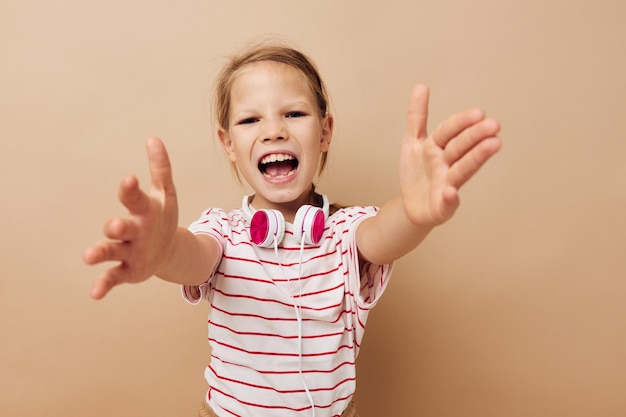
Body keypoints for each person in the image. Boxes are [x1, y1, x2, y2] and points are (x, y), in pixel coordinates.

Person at [83, 42, 501, 417]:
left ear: (324, 132)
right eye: (250, 121)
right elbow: (191, 257)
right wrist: (163, 252)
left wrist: (414, 214)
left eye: (294, 113)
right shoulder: (223, 233)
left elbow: (383, 234)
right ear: (228, 144)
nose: (273, 131)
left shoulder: (343, 233)